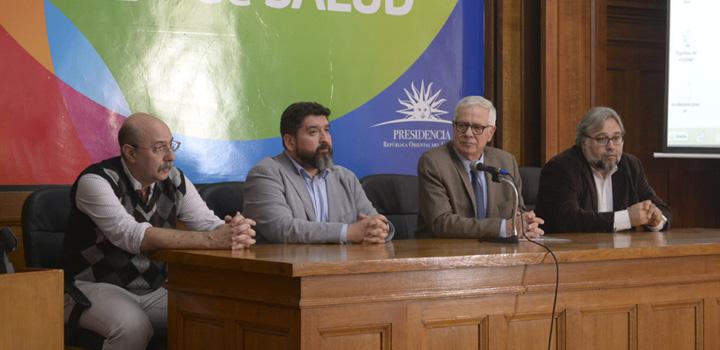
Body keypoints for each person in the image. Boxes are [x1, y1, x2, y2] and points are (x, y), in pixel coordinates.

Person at [64, 113, 256, 349]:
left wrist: (236, 230)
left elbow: (207, 223)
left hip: (154, 290)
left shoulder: (174, 179)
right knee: (133, 327)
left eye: (171, 145)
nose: (171, 157)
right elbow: (131, 235)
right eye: (159, 148)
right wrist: (212, 238)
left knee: (216, 316)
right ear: (130, 152)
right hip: (91, 288)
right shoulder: (96, 181)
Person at [243, 101, 394, 244]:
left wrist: (382, 229)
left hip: (342, 266)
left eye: (327, 130)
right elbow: (282, 228)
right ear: (290, 142)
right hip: (288, 268)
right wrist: (347, 232)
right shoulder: (266, 173)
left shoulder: (345, 177)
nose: (325, 139)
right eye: (313, 132)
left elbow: (373, 220)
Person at [417, 96, 544, 239]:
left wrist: (525, 223)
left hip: (497, 252)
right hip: (444, 253)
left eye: (477, 127)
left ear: (491, 133)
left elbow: (517, 210)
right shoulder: (434, 162)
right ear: (453, 127)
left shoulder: (506, 161)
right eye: (462, 126)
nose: (468, 134)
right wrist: (503, 228)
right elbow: (441, 223)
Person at [536, 106, 672, 233]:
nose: (611, 146)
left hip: (620, 254)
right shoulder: (561, 168)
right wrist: (627, 218)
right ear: (583, 142)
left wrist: (655, 219)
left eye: (616, 137)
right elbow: (569, 219)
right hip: (569, 254)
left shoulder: (630, 166)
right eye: (602, 139)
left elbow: (664, 210)